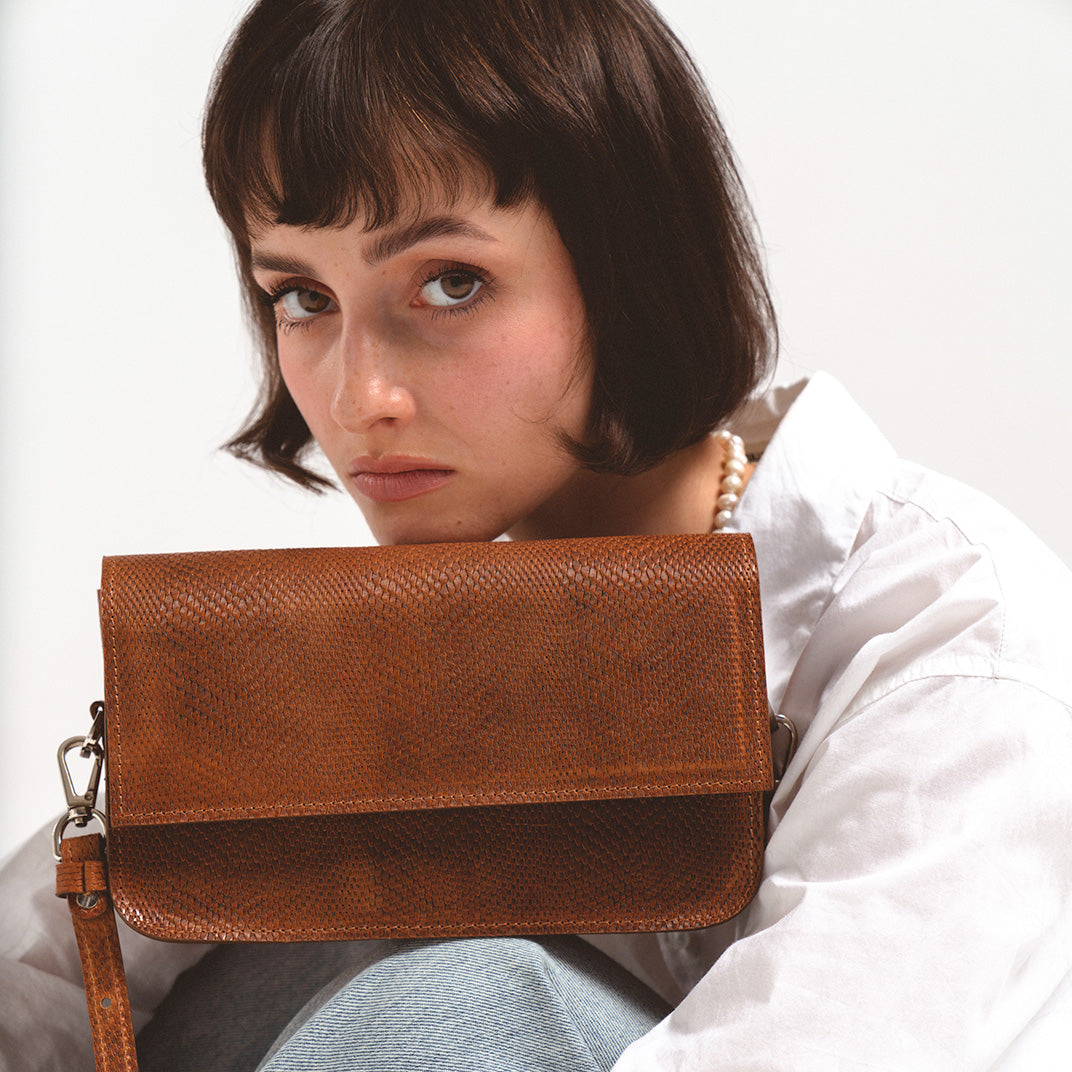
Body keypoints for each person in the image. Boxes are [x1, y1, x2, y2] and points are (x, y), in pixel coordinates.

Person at [3, 0, 1071, 1068]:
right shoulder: (405, 637)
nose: (356, 394)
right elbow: (32, 974)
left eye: (450, 282)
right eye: (301, 296)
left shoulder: (946, 641)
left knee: (452, 1003)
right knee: (229, 918)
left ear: (628, 266)